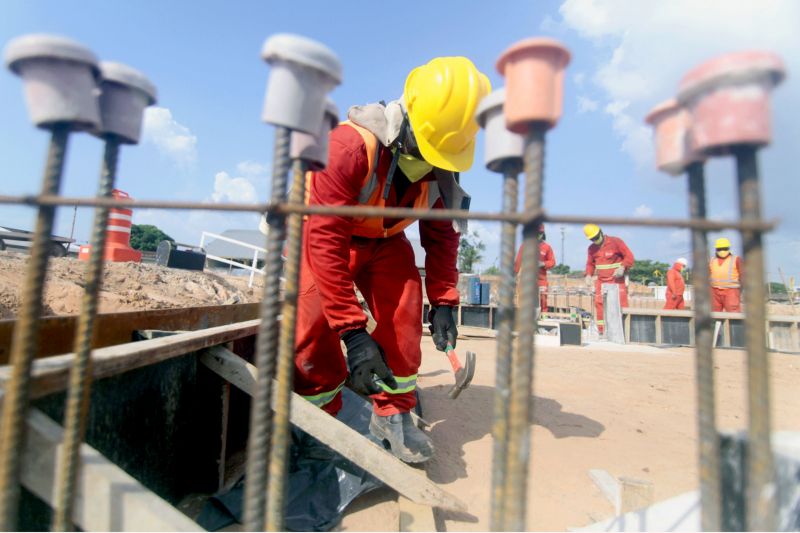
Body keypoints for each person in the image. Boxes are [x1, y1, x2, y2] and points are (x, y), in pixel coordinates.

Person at [295, 57, 491, 464]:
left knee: (403, 312)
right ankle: (316, 421)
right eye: (426, 149)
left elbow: (441, 237)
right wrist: (353, 334)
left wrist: (443, 302)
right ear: (407, 118)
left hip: (385, 241)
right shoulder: (347, 148)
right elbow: (325, 239)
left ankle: (392, 415)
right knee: (313, 321)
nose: (431, 163)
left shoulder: (442, 171)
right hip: (323, 237)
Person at [583, 224, 634, 333]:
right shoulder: (591, 249)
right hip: (601, 281)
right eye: (592, 239)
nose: (595, 240)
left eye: (596, 237)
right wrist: (588, 274)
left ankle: (625, 331)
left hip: (617, 281)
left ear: (601, 232)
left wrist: (622, 267)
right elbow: (590, 264)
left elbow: (629, 257)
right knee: (599, 304)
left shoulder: (616, 242)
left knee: (621, 304)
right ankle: (602, 331)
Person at [514, 223, 556, 315]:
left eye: (540, 234)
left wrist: (543, 264)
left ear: (542, 234)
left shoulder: (547, 248)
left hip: (541, 280)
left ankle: (543, 319)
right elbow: (518, 262)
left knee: (543, 299)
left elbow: (552, 262)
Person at [709, 237, 742, 312]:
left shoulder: (736, 259)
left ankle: (735, 324)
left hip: (731, 290)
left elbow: (743, 275)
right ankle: (717, 324)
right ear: (716, 249)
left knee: (733, 313)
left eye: (724, 248)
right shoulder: (712, 260)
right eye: (719, 249)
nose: (722, 251)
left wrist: (739, 289)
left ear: (728, 248)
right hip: (714, 290)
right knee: (715, 313)